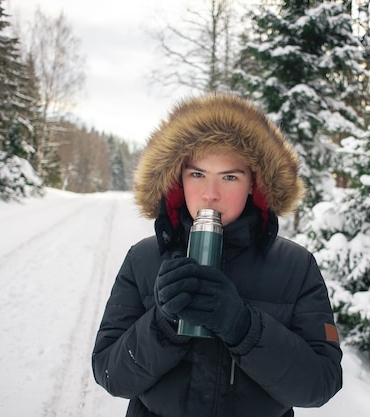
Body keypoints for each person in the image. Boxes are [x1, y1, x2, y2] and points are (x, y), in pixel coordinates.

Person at [92, 93, 343, 417]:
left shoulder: (295, 266)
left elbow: (321, 383)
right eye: (197, 174)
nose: (211, 193)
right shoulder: (143, 259)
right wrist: (164, 323)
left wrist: (242, 326)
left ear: (254, 182)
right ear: (178, 179)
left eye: (229, 177)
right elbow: (110, 374)